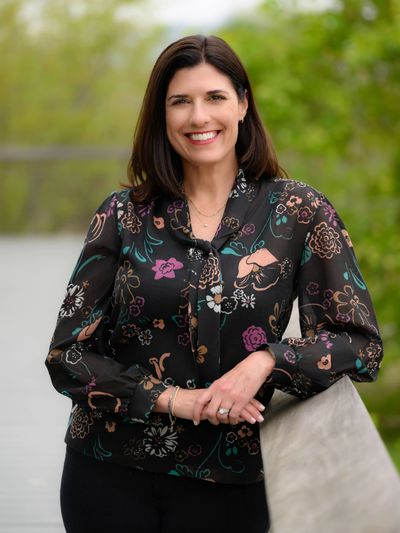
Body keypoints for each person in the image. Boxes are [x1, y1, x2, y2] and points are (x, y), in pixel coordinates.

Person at [46, 34, 383, 533]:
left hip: (232, 483)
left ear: (243, 105)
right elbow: (68, 356)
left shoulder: (299, 212)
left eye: (215, 98)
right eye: (180, 101)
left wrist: (267, 360)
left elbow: (359, 344)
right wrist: (172, 399)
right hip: (109, 473)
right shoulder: (122, 214)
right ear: (162, 116)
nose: (199, 117)